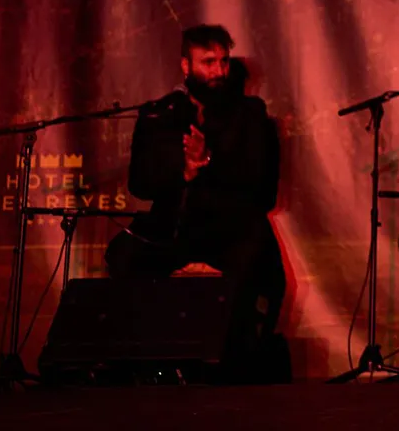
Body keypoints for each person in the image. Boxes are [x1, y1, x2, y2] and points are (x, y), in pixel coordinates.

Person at [105, 25, 287, 379]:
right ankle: (141, 363)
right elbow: (140, 183)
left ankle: (226, 363)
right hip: (172, 228)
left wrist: (208, 163)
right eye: (208, 62)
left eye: (223, 61)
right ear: (185, 67)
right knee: (123, 253)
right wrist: (183, 172)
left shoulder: (250, 114)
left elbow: (262, 189)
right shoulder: (159, 115)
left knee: (255, 255)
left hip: (230, 228)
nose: (219, 71)